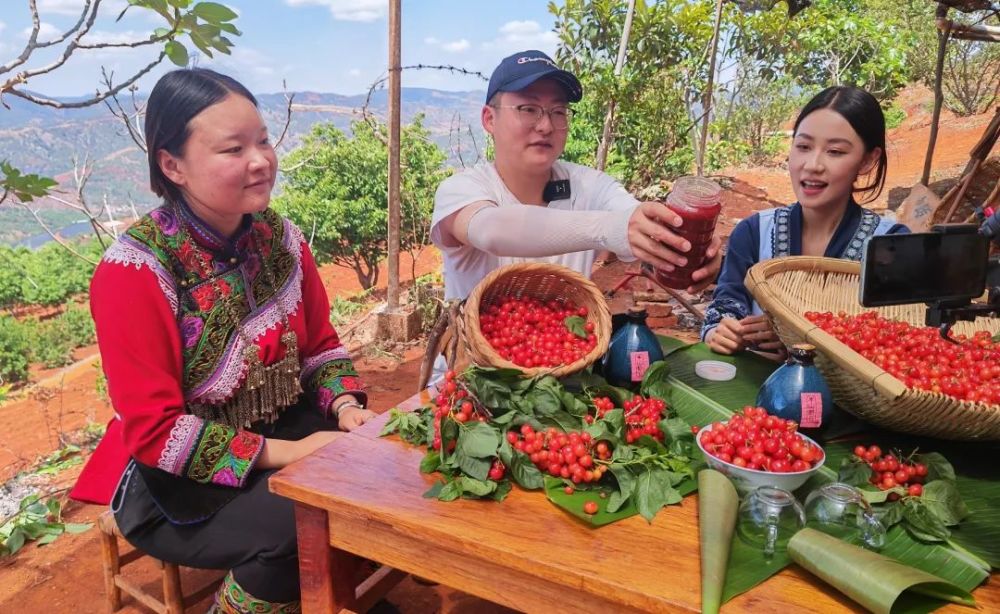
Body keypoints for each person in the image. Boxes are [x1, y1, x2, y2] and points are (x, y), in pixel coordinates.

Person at [70, 68, 376, 613]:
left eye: (262, 140)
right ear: (172, 165)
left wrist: (347, 406)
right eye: (233, 148)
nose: (260, 159)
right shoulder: (136, 271)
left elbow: (320, 347)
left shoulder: (280, 240)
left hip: (281, 425)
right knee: (299, 523)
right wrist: (295, 453)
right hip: (178, 481)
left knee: (376, 470)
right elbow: (156, 431)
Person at [431, 50, 722, 301]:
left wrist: (686, 248)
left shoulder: (588, 185)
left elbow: (632, 216)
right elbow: (490, 230)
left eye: (558, 111)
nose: (546, 125)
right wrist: (610, 228)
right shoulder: (461, 189)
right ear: (489, 119)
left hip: (563, 361)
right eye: (528, 108)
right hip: (473, 364)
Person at [703, 85, 910, 358]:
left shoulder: (890, 245)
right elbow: (728, 302)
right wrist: (721, 330)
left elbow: (901, 337)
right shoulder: (754, 232)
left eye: (835, 151)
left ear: (868, 161)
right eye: (803, 146)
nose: (812, 164)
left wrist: (795, 334)